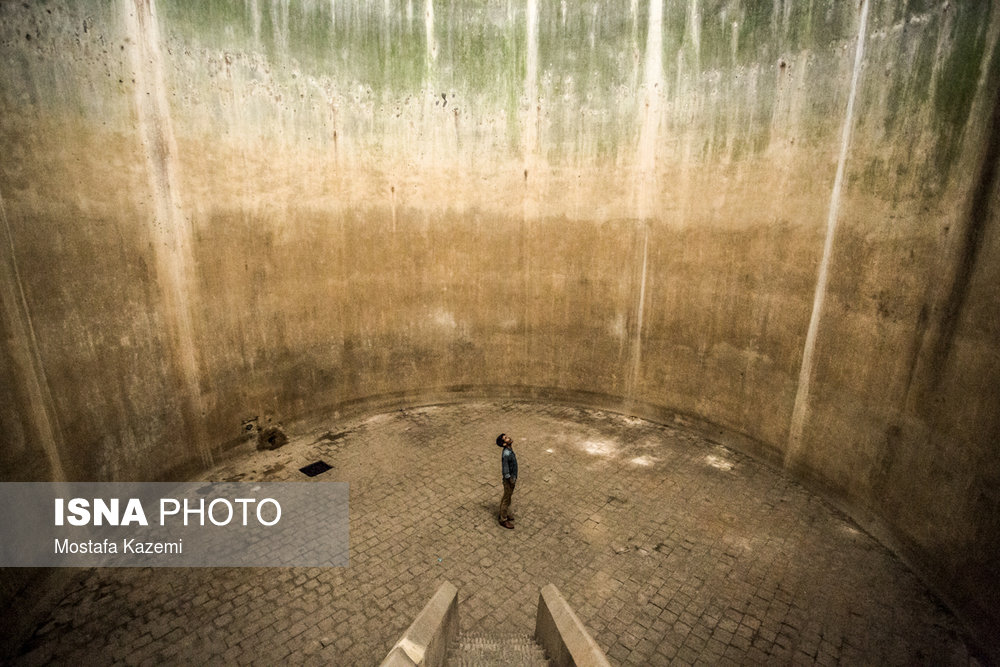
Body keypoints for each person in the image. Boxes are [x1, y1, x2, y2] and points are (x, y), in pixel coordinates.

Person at [496, 433, 517, 529]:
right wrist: (510, 480)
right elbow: (505, 470)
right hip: (509, 480)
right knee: (506, 498)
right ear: (504, 444)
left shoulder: (509, 450)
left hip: (512, 477)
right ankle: (503, 519)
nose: (509, 438)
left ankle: (503, 513)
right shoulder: (506, 454)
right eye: (506, 438)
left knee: (508, 497)